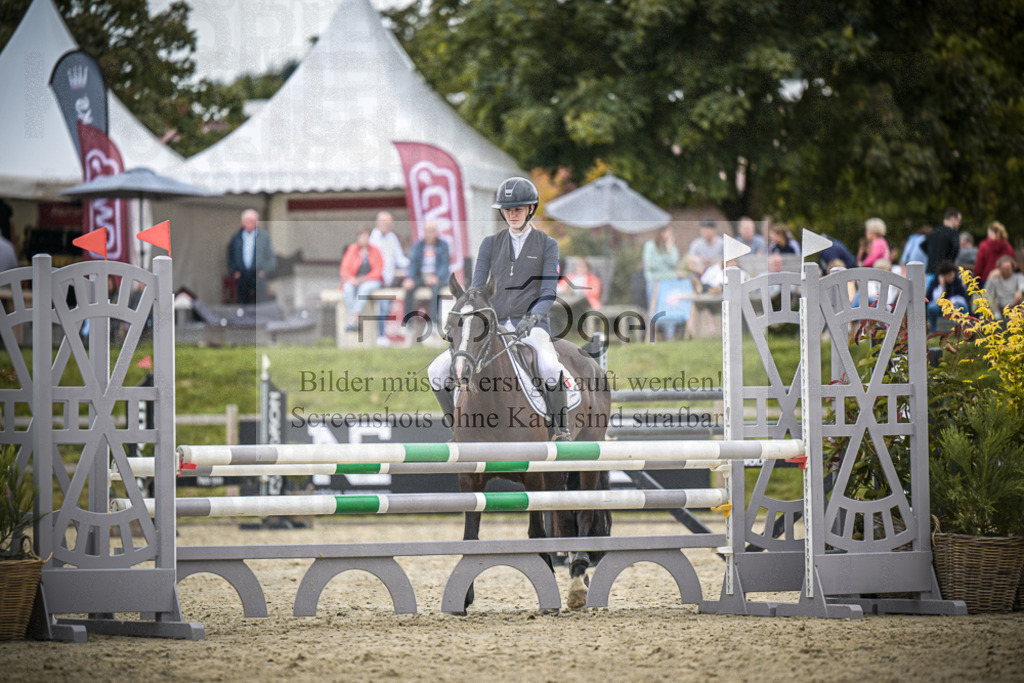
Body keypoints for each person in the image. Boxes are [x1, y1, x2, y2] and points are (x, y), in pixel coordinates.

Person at [427, 176, 571, 441]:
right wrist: (467, 305)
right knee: (436, 371)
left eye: (517, 209)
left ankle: (560, 429)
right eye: (507, 210)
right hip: (493, 327)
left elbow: (548, 292)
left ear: (530, 209)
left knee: (551, 367)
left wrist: (533, 317)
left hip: (531, 326)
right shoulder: (490, 244)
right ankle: (455, 428)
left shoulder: (547, 245)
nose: (512, 214)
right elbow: (477, 288)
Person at [369, 211, 410, 345]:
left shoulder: (392, 237)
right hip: (377, 279)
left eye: (390, 223)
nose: (388, 225)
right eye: (386, 222)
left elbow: (399, 259)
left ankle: (381, 336)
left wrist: (413, 264)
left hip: (389, 280)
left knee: (386, 308)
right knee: (383, 306)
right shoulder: (372, 238)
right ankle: (380, 336)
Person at [402, 220, 450, 332]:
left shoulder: (443, 245)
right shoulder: (418, 246)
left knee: (436, 290)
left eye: (432, 231)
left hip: (437, 278)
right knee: (409, 289)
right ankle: (407, 323)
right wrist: (410, 278)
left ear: (437, 232)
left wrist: (436, 277)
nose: (430, 234)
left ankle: (433, 323)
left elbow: (444, 264)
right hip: (422, 277)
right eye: (427, 231)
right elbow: (413, 263)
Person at [339, 227, 384, 332]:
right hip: (355, 280)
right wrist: (350, 279)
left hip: (371, 280)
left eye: (365, 236)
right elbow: (344, 268)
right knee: (347, 288)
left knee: (364, 288)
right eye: (361, 236)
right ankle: (353, 318)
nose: (363, 239)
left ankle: (354, 317)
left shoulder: (376, 250)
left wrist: (365, 278)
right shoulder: (352, 250)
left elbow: (378, 270)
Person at [227, 209, 276, 304]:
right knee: (243, 302)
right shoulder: (236, 238)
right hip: (242, 275)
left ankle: (260, 319)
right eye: (248, 221)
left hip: (258, 274)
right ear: (243, 222)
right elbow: (230, 255)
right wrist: (234, 271)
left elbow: (270, 256)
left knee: (259, 302)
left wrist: (264, 271)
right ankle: (244, 319)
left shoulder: (263, 237)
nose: (250, 223)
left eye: (253, 221)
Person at [926, 260, 969, 333]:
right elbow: (932, 298)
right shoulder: (936, 281)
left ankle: (964, 329)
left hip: (955, 306)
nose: (951, 277)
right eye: (949, 275)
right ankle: (933, 330)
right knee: (931, 307)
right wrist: (942, 286)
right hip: (941, 307)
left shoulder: (957, 281)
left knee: (963, 305)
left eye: (952, 274)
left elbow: (964, 298)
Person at [642, 226, 679, 304]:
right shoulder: (650, 245)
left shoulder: (671, 247)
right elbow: (651, 264)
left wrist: (669, 251)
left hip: (669, 280)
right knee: (654, 308)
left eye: (671, 234)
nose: (669, 236)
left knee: (669, 307)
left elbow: (674, 262)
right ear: (661, 233)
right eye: (668, 233)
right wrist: (666, 266)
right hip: (655, 281)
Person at [924, 208, 961, 285]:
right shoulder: (953, 234)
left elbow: (923, 246)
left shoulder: (934, 232)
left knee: (928, 296)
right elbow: (955, 251)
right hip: (945, 274)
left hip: (930, 272)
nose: (959, 224)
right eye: (958, 221)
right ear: (952, 219)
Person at [983, 255, 1024, 319]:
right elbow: (987, 293)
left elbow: (1022, 285)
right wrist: (990, 277)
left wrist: (1020, 291)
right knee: (988, 302)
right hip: (999, 308)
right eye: (1003, 269)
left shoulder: (1018, 277)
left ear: (1012, 268)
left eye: (1008, 269)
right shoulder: (995, 279)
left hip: (1015, 307)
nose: (1005, 271)